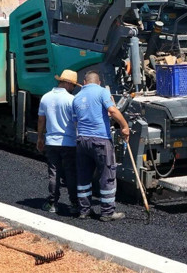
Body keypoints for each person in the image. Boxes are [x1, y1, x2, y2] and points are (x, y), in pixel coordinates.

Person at [71, 70, 130, 221]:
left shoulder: (76, 98)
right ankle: (107, 213)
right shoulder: (102, 92)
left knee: (84, 175)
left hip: (82, 140)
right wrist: (124, 126)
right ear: (98, 82)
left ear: (84, 82)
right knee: (107, 174)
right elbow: (112, 110)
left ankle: (84, 210)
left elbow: (76, 120)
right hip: (100, 140)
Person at [37, 69, 80, 215]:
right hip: (68, 143)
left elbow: (41, 120)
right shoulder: (71, 100)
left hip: (51, 142)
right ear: (68, 83)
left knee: (54, 173)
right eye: (73, 85)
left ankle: (52, 203)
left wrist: (39, 138)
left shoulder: (45, 97)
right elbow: (76, 123)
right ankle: (74, 204)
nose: (73, 88)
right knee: (70, 174)